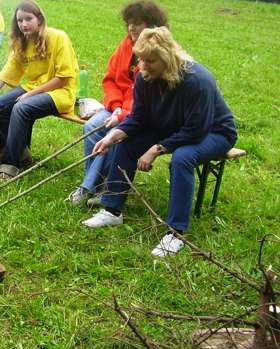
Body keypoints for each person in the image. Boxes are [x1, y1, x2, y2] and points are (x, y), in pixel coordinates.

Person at [82, 27, 237, 257]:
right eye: (141, 60)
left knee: (183, 158)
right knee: (126, 143)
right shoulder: (144, 76)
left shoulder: (198, 80)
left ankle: (175, 233)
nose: (142, 66)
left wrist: (156, 149)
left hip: (213, 132)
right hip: (172, 125)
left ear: (167, 57)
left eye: (150, 61)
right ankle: (113, 211)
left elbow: (195, 131)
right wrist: (116, 133)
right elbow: (140, 118)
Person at [69, 0, 168, 206]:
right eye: (129, 23)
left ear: (152, 25)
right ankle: (95, 185)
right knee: (93, 126)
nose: (131, 27)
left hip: (143, 115)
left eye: (138, 23)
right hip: (119, 107)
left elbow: (147, 95)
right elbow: (110, 79)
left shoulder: (160, 51)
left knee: (117, 135)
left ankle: (97, 188)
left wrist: (122, 114)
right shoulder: (125, 45)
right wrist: (115, 107)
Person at [0, 0, 78, 181]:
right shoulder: (21, 43)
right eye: (20, 20)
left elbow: (63, 78)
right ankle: (22, 154)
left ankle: (9, 168)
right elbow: (2, 78)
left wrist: (29, 95)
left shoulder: (58, 37)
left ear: (39, 19)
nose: (24, 24)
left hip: (60, 91)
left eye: (28, 19)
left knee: (21, 108)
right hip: (32, 88)